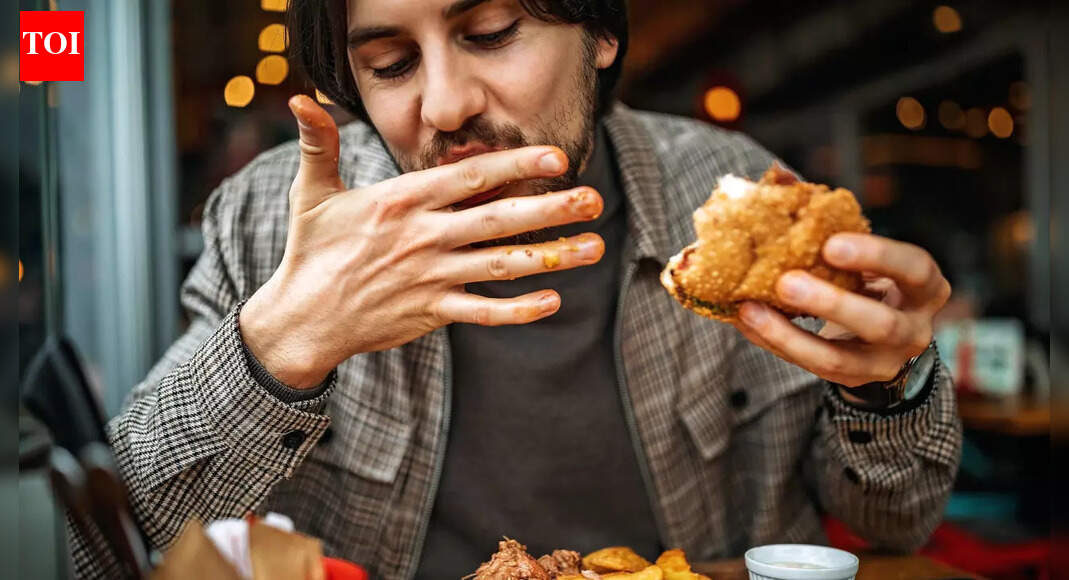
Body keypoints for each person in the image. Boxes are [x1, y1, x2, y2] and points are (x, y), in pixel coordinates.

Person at [72, 1, 961, 578]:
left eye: (492, 32)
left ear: (601, 31)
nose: (446, 104)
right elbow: (104, 549)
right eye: (389, 65)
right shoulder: (272, 221)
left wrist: (890, 385)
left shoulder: (732, 197)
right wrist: (279, 347)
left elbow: (896, 520)